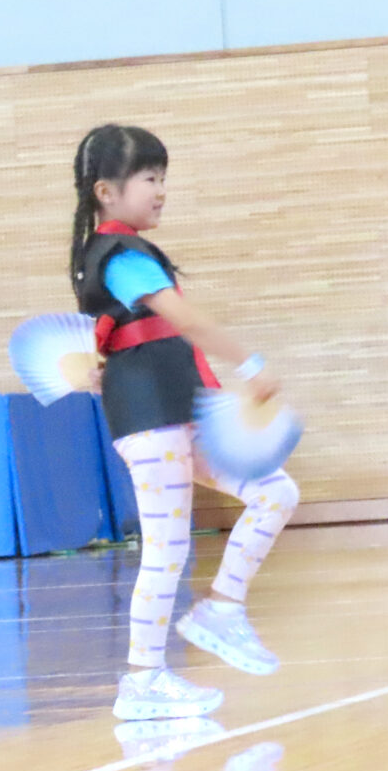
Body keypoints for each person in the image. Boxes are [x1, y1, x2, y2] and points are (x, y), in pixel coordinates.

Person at [70, 124, 299, 721]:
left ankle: (222, 607)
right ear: (106, 192)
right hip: (149, 420)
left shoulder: (132, 253)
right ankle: (143, 680)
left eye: (163, 178)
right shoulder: (119, 256)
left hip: (180, 410)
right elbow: (185, 320)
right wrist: (249, 364)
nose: (161, 190)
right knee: (167, 549)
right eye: (150, 178)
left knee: (276, 491)